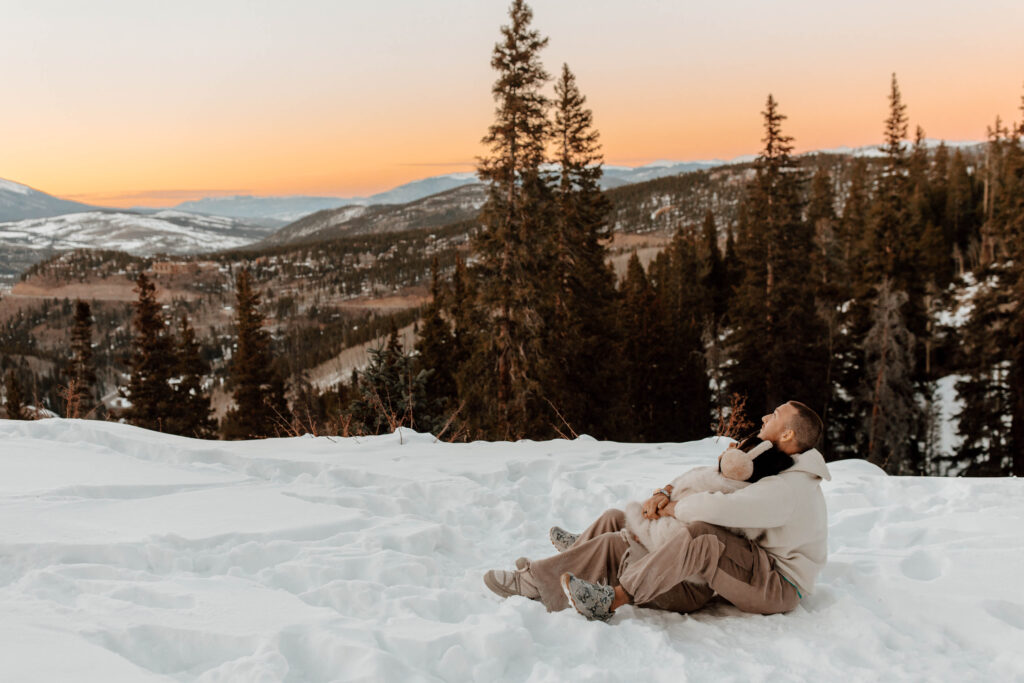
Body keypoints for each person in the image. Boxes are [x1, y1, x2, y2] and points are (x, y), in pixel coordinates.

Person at [483, 400, 831, 621]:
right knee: (617, 520)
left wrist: (673, 508)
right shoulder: (776, 464)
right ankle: (577, 554)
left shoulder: (787, 486)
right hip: (750, 564)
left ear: (787, 433)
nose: (765, 415)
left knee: (698, 537)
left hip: (775, 584)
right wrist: (664, 493)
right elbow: (709, 480)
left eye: (776, 414)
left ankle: (591, 594)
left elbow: (724, 508)